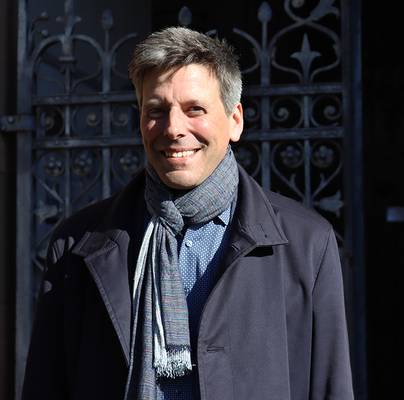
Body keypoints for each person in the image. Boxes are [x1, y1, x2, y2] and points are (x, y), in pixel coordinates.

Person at [22, 26, 354, 400]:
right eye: (156, 111)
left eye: (195, 109)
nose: (173, 129)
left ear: (235, 120)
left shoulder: (307, 244)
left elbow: (330, 387)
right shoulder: (75, 246)